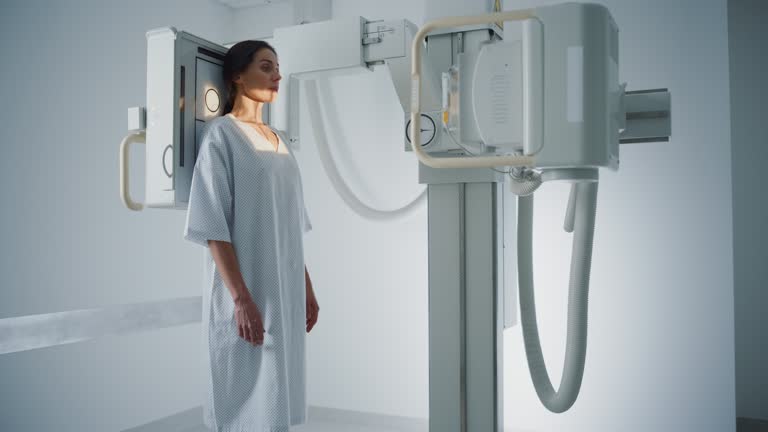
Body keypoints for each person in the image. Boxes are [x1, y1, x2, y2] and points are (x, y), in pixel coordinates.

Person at [183, 40, 319, 432]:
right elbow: (213, 226)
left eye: (277, 67)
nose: (276, 75)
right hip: (246, 290)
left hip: (283, 292)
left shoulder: (281, 143)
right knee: (241, 404)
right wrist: (240, 299)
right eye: (265, 66)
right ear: (237, 77)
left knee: (277, 398)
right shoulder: (223, 137)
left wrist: (305, 287)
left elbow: (290, 227)